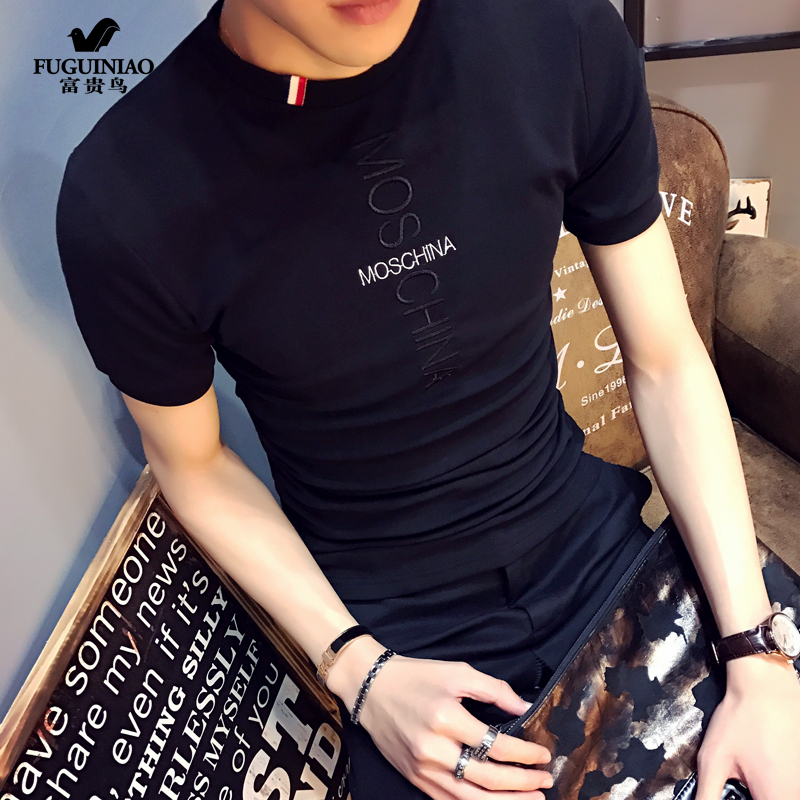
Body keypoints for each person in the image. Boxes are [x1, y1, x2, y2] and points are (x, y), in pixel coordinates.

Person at [55, 0, 800, 797]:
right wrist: (359, 670)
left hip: (599, 550)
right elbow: (193, 464)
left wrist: (755, 651)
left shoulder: (555, 30)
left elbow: (665, 355)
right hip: (397, 639)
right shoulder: (126, 194)